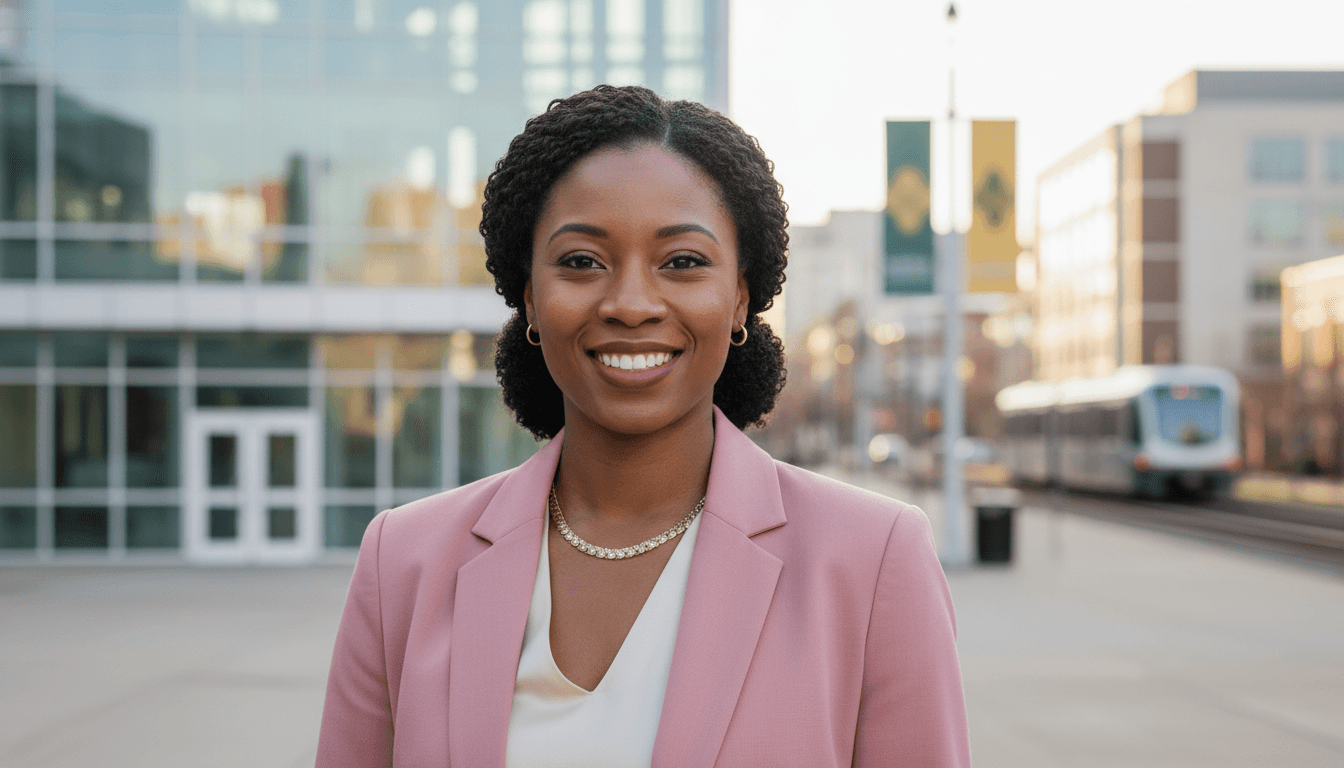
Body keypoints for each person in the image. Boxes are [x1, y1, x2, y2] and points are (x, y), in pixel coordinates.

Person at [316, 85, 969, 767]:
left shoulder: (872, 562)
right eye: (581, 262)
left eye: (682, 262)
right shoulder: (404, 564)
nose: (631, 303)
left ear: (740, 296)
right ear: (531, 298)